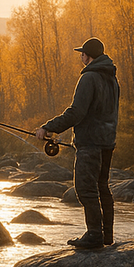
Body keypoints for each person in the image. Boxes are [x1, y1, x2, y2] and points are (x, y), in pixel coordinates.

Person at [34, 38, 120, 249]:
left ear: (87, 56)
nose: (80, 57)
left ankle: (94, 235)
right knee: (102, 188)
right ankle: (106, 236)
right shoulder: (112, 79)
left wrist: (48, 127)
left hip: (90, 143)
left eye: (82, 54)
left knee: (85, 189)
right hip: (108, 142)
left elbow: (76, 112)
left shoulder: (89, 77)